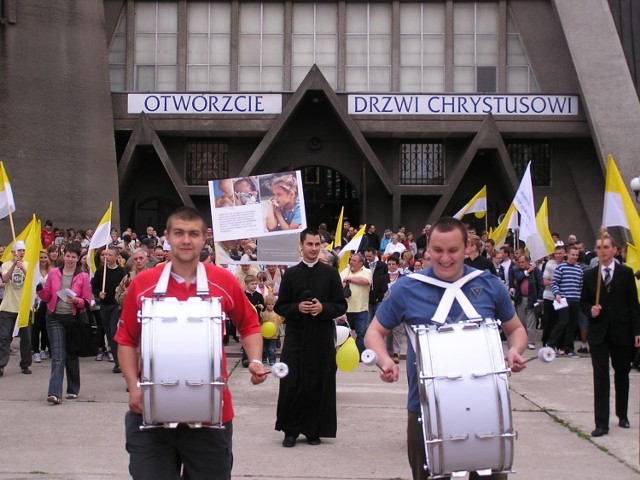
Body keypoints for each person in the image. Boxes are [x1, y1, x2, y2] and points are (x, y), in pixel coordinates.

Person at [364, 217, 527, 480]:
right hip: (425, 407)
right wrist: (385, 360)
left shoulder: (489, 284)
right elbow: (374, 332)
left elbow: (516, 329)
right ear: (427, 247)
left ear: (468, 248)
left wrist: (515, 350)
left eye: (453, 250)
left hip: (486, 407)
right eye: (438, 250)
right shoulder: (408, 287)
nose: (445, 258)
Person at [115, 206, 267, 480]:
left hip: (211, 418)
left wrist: (255, 360)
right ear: (167, 237)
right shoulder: (144, 283)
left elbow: (249, 323)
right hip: (150, 416)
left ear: (204, 239)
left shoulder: (223, 281)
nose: (186, 240)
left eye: (193, 234)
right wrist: (133, 387)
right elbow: (126, 339)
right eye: (179, 233)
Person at [274, 227, 347, 447]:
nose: (314, 249)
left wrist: (322, 308)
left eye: (317, 244)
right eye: (310, 244)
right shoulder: (291, 274)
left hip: (321, 336)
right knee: (292, 381)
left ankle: (314, 430)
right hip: (296, 337)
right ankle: (290, 430)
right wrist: (299, 308)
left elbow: (341, 305)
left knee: (319, 380)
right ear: (301, 245)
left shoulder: (331, 274)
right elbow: (280, 306)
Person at [580, 235, 640, 437]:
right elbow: (583, 302)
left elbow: (633, 305)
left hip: (621, 331)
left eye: (606, 247)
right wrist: (591, 311)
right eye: (599, 247)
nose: (602, 251)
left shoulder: (625, 273)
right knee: (600, 376)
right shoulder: (590, 275)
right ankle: (601, 423)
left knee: (622, 373)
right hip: (599, 332)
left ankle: (622, 414)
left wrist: (637, 331)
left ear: (614, 249)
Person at [37, 243, 92, 404]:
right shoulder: (54, 273)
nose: (70, 259)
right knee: (58, 356)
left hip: (73, 320)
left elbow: (87, 301)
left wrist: (77, 300)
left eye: (73, 256)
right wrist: (39, 288)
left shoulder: (83, 277)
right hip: (54, 318)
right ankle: (54, 393)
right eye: (68, 255)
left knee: (71, 355)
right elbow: (47, 296)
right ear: (64, 255)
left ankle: (73, 388)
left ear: (78, 258)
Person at [91, 245, 126, 373]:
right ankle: (117, 362)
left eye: (109, 255)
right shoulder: (100, 271)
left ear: (117, 257)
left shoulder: (122, 271)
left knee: (114, 332)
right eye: (105, 255)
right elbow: (94, 286)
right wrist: (98, 293)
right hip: (105, 305)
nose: (106, 257)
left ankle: (121, 362)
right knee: (109, 334)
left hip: (116, 306)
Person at [0, 241, 32, 377]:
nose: (21, 253)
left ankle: (25, 364)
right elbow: (5, 279)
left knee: (26, 338)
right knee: (4, 337)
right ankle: (1, 364)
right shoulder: (5, 265)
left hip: (24, 307)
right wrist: (14, 265)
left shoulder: (28, 265)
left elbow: (31, 280)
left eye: (23, 250)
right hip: (8, 306)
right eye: (19, 250)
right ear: (13, 252)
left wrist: (23, 268)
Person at [340, 252, 372, 355]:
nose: (351, 262)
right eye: (351, 260)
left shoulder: (367, 271)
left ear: (361, 263)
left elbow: (365, 281)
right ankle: (346, 354)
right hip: (346, 309)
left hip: (361, 309)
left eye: (354, 261)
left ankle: (359, 354)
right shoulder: (345, 271)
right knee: (345, 334)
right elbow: (338, 285)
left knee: (361, 333)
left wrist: (350, 279)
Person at [260, 294, 284, 366]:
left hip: (274, 335)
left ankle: (272, 360)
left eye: (272, 304)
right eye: (269, 304)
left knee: (272, 349)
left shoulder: (276, 314)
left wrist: (282, 318)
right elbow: (261, 322)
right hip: (264, 335)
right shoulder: (263, 314)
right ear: (266, 305)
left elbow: (279, 321)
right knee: (264, 349)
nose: (271, 306)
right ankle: (264, 358)